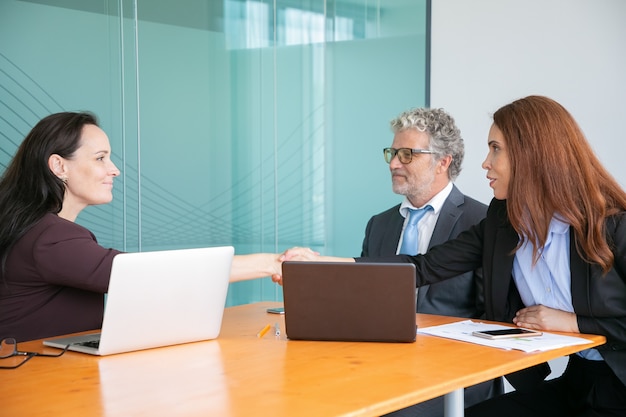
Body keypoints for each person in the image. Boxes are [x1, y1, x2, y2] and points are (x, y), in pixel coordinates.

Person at [284, 95, 626, 416]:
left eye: (496, 150)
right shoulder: (501, 221)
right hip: (581, 380)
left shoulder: (614, 226)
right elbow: (422, 266)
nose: (485, 163)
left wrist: (575, 324)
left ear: (534, 155)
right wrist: (325, 264)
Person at [0, 111, 313, 343]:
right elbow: (144, 276)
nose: (114, 169)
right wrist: (271, 263)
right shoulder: (50, 238)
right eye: (100, 158)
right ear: (59, 166)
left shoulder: (39, 230)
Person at [362, 107, 500, 416]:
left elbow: (491, 320)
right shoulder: (378, 225)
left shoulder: (482, 223)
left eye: (407, 154)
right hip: (376, 368)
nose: (394, 163)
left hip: (452, 375)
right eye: (393, 152)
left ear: (443, 162)